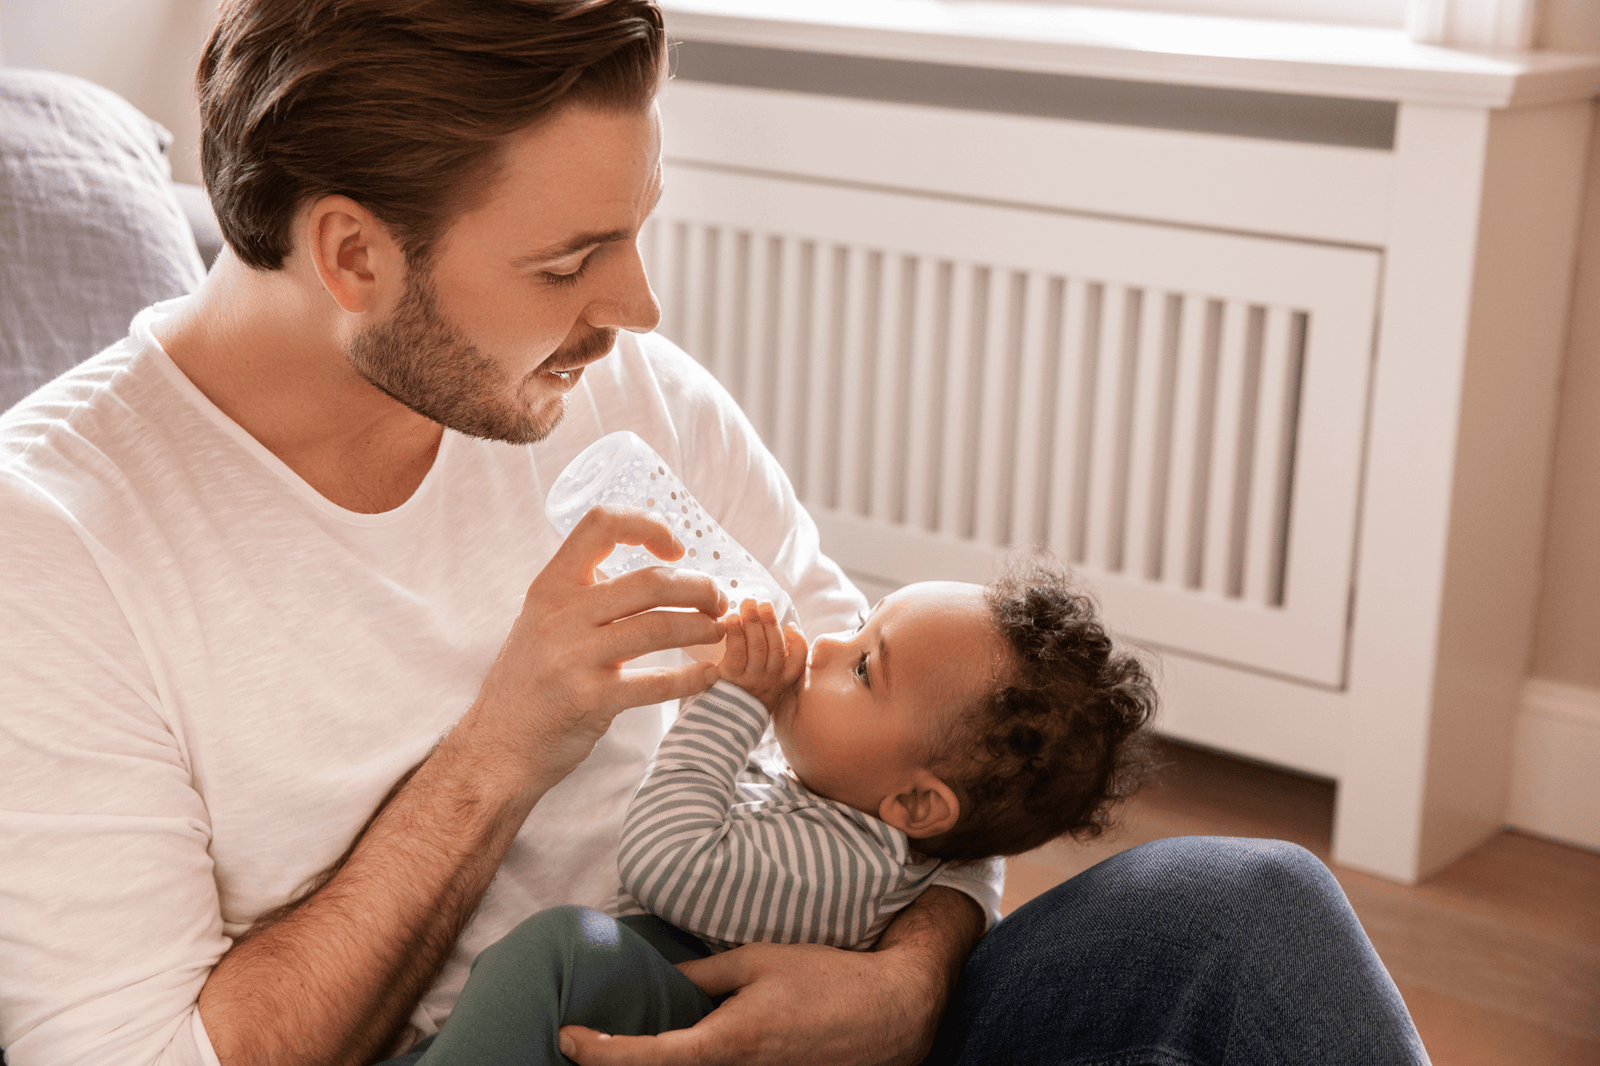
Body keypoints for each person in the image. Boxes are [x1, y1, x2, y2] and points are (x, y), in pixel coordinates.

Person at [0, 1, 1430, 1064]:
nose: (639, 308)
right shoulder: (57, 542)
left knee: (1244, 907)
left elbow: (931, 750)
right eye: (570, 260)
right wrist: (502, 746)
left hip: (808, 1008)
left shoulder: (625, 395)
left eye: (635, 230)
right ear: (354, 253)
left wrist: (910, 977)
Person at [407, 561, 1158, 1065]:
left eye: (864, 666)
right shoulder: (847, 792)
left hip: (686, 998)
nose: (828, 644)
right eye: (861, 621)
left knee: (561, 952)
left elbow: (667, 863)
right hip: (660, 982)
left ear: (917, 804)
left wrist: (735, 701)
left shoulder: (849, 866)